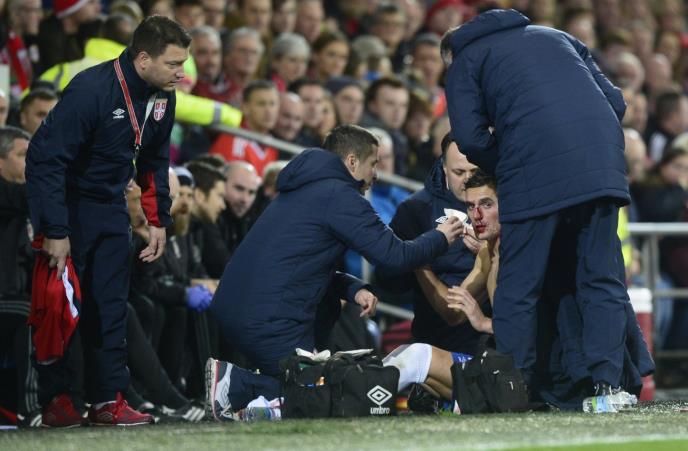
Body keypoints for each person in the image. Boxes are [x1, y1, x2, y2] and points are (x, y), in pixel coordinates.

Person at [441, 8, 650, 398]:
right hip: (601, 168)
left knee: (518, 284)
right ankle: (608, 386)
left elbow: (469, 138)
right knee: (601, 278)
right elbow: (617, 102)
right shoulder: (558, 36)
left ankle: (513, 387)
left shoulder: (464, 59)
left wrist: (510, 159)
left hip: (531, 172)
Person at [205, 124, 464, 421]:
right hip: (267, 317)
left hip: (242, 307)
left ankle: (249, 391)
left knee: (315, 380)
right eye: (373, 163)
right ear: (352, 161)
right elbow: (394, 256)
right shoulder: (339, 196)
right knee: (325, 392)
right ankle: (234, 384)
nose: (376, 175)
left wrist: (353, 288)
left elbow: (303, 265)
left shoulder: (305, 188)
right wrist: (441, 236)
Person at [25, 15, 191, 427]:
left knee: (111, 308)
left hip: (112, 209)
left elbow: (154, 160)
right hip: (70, 207)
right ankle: (58, 400)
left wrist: (158, 219)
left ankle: (107, 400)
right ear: (143, 59)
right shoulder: (91, 89)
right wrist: (55, 229)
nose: (181, 74)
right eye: (173, 64)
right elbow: (45, 158)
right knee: (62, 305)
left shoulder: (162, 96)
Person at [385, 171, 653, 411]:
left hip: (542, 376)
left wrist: (483, 321)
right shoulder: (488, 251)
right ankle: (442, 400)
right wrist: (419, 259)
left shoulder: (523, 254)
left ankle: (366, 392)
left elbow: (534, 329)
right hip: (508, 365)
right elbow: (453, 311)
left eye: (487, 204)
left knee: (417, 357)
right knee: (418, 366)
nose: (476, 215)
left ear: (508, 205)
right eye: (470, 206)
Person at [376, 135, 485, 354]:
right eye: (459, 172)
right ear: (444, 168)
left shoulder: (504, 203)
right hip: (435, 338)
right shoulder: (416, 209)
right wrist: (420, 251)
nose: (467, 180)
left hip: (490, 337)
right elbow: (389, 280)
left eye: (474, 172)